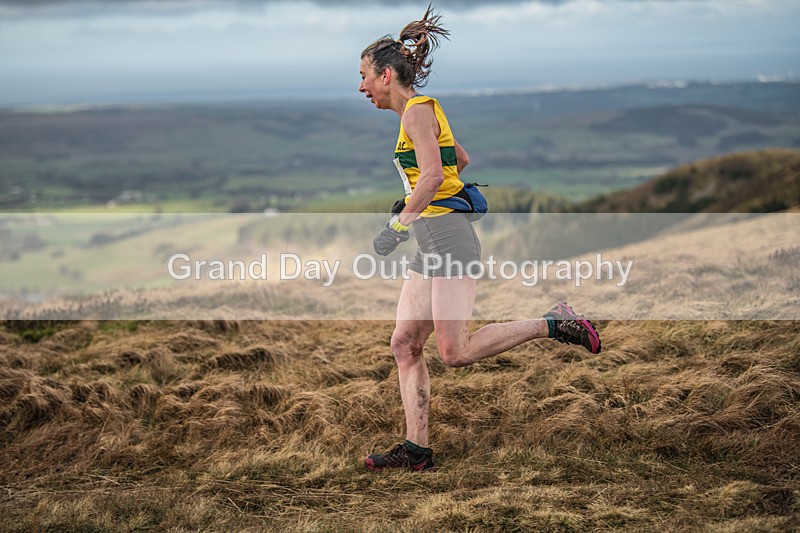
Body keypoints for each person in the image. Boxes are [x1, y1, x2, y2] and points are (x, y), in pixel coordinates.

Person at [359, 4, 601, 472]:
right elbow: (458, 162)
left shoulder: (415, 114)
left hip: (447, 240)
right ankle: (416, 451)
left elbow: (434, 175)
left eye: (364, 76)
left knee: (455, 351)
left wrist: (398, 223)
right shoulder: (419, 114)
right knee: (405, 343)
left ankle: (553, 322)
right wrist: (413, 199)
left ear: (386, 75)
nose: (362, 87)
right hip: (433, 239)